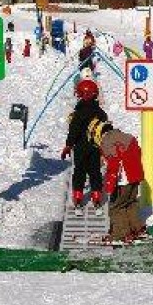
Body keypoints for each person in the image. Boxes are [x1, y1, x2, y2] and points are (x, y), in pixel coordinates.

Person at [87, 118, 146, 243]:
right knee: (131, 202)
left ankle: (121, 234)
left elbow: (114, 163)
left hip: (123, 179)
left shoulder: (108, 141)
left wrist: (109, 184)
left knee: (116, 207)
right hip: (136, 176)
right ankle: (138, 229)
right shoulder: (126, 137)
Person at [61, 79, 108, 212]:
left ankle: (78, 197)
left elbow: (74, 131)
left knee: (79, 172)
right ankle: (97, 197)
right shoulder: (100, 113)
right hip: (95, 148)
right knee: (95, 172)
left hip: (80, 148)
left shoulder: (78, 113)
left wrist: (68, 146)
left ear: (80, 94)